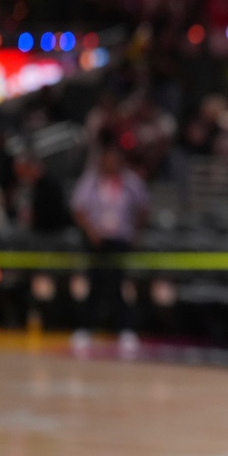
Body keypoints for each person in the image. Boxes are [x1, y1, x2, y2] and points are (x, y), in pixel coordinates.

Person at [69, 130, 150, 357]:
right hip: (96, 241)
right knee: (93, 285)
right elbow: (78, 208)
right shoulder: (91, 180)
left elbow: (144, 207)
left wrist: (135, 232)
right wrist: (91, 231)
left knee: (119, 286)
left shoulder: (130, 181)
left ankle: (125, 330)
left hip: (120, 240)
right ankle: (85, 329)